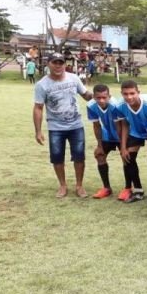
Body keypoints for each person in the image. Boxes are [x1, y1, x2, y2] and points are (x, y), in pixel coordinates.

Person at [33, 52, 93, 198]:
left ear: (65, 64)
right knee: (57, 157)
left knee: (79, 156)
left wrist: (99, 95)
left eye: (61, 62)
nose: (58, 65)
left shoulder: (74, 78)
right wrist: (38, 131)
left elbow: (86, 96)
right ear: (49, 64)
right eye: (55, 62)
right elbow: (38, 108)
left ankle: (79, 186)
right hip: (55, 128)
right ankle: (63, 185)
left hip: (76, 125)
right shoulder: (42, 85)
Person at [115, 80, 147, 205]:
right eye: (125, 94)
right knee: (128, 157)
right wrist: (123, 147)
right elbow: (124, 124)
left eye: (132, 93)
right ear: (121, 94)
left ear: (138, 92)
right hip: (136, 132)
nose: (129, 97)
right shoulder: (120, 106)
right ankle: (138, 191)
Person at [87, 84, 128, 199]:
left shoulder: (115, 105)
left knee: (126, 157)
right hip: (107, 135)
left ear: (109, 96)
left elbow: (120, 126)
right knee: (99, 155)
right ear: (94, 97)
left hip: (120, 135)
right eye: (98, 97)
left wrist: (123, 146)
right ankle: (106, 188)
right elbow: (96, 125)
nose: (101, 100)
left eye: (104, 97)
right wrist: (99, 145)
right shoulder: (91, 106)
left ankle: (128, 188)